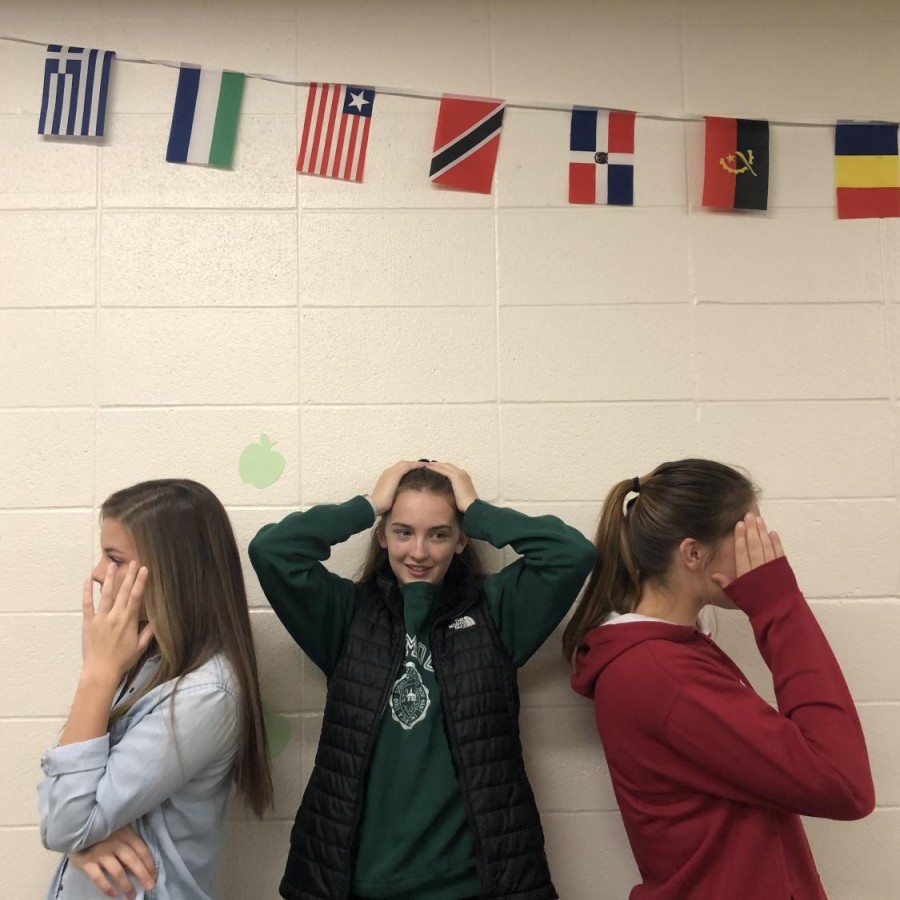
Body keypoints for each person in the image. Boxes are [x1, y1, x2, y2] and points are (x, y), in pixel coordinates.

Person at [249, 459, 596, 900]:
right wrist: (369, 504)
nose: (419, 551)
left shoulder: (497, 611)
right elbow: (273, 550)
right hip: (356, 882)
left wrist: (475, 507)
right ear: (382, 535)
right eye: (403, 531)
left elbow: (571, 554)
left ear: (460, 539)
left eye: (439, 533)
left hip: (474, 884)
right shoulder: (344, 615)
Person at [563, 458, 875, 899]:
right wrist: (779, 606)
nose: (762, 553)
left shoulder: (669, 654)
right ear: (692, 554)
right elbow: (844, 785)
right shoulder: (661, 672)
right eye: (749, 536)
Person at [39, 479, 273, 899]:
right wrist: (83, 837)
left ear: (173, 573)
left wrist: (97, 673)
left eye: (114, 558)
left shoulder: (205, 694)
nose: (97, 574)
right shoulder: (143, 661)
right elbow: (65, 797)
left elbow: (63, 820)